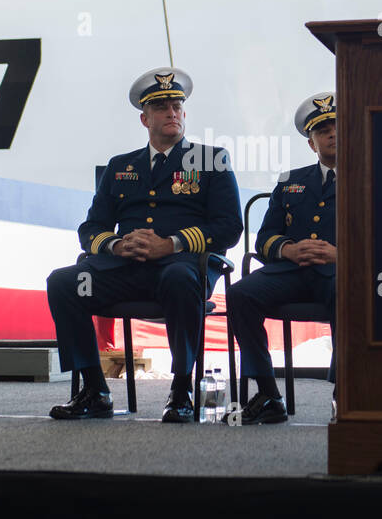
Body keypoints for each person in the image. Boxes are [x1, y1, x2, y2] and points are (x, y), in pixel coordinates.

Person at [47, 67, 241, 423]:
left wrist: (171, 244)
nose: (173, 112)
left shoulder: (211, 159)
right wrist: (118, 245)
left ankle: (181, 389)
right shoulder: (121, 167)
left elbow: (229, 227)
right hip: (127, 267)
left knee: (179, 280)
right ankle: (94, 390)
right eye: (163, 106)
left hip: (183, 265)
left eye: (178, 106)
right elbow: (91, 228)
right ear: (144, 118)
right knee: (63, 282)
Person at [226, 93, 337, 424]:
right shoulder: (290, 181)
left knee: (352, 295)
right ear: (312, 144)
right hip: (291, 270)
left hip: (339, 273)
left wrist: (341, 254)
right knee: (240, 294)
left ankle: (345, 394)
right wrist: (288, 249)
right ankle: (267, 394)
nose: (332, 133)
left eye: (338, 126)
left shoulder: (370, 174)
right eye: (323, 129)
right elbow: (264, 239)